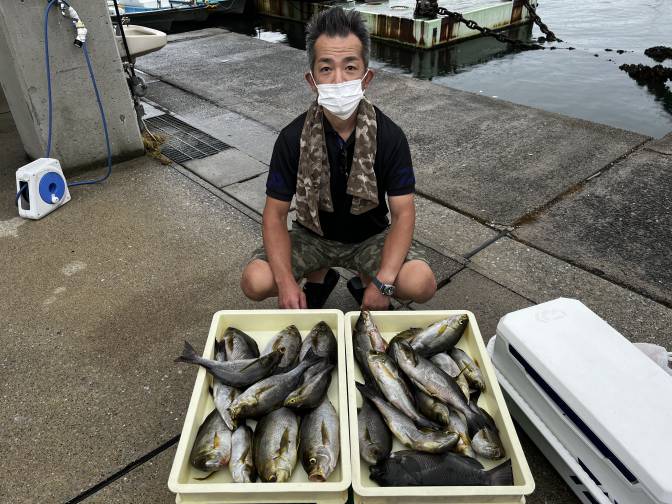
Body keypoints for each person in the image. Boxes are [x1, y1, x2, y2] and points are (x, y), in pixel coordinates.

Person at [240, 7, 436, 310]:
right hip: (312, 237)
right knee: (256, 281)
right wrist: (285, 281)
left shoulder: (390, 137)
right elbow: (274, 215)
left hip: (370, 238)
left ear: (366, 78)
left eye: (350, 67)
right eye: (326, 69)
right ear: (312, 80)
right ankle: (320, 276)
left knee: (420, 282)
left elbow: (403, 213)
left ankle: (366, 279)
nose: (338, 79)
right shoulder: (291, 138)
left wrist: (384, 282)